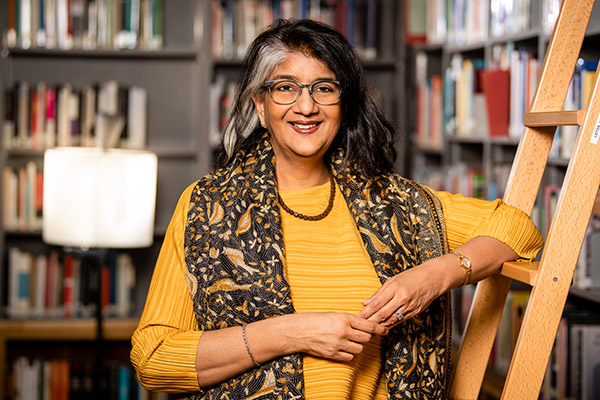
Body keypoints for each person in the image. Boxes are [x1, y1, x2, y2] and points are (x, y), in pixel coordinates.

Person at [131, 19, 543, 399]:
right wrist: (291, 333)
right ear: (260, 104)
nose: (306, 106)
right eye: (285, 87)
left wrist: (434, 276)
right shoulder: (205, 206)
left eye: (324, 88)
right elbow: (153, 359)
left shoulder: (392, 203)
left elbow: (519, 229)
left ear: (343, 103)